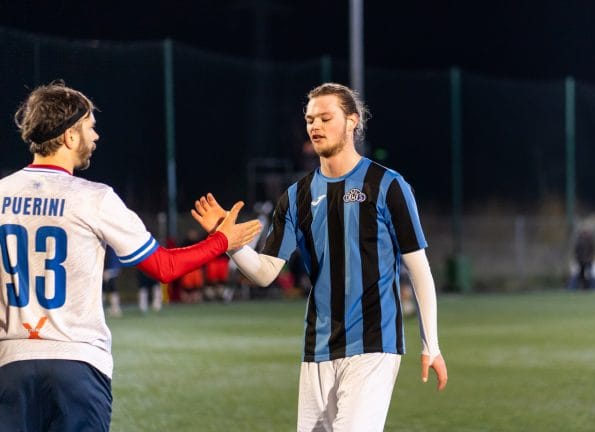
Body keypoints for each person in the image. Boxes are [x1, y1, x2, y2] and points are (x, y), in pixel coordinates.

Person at [0, 81, 262, 432]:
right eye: (90, 127)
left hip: (10, 367)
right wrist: (220, 241)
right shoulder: (95, 198)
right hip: (78, 365)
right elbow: (164, 267)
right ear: (69, 137)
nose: (96, 136)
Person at [192, 82, 448, 432]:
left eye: (326, 118)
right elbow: (266, 273)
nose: (316, 126)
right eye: (310, 118)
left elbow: (419, 269)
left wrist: (430, 344)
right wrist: (230, 242)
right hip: (317, 349)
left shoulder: (387, 185)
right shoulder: (296, 197)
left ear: (352, 122)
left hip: (374, 344)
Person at [102, 245, 123, 317]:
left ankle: (115, 309)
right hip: (114, 268)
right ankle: (115, 308)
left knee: (110, 289)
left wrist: (107, 271)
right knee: (112, 289)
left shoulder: (109, 246)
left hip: (110, 269)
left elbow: (109, 257)